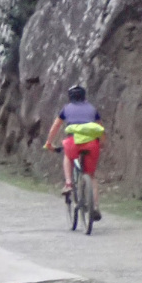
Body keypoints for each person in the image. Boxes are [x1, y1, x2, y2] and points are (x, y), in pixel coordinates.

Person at [44, 84, 104, 220]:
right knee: (91, 176)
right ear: (84, 96)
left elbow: (55, 127)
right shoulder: (92, 109)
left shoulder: (66, 109)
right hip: (92, 144)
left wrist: (49, 143)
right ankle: (94, 206)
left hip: (73, 143)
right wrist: (103, 144)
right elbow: (101, 129)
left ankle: (69, 183)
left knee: (67, 154)